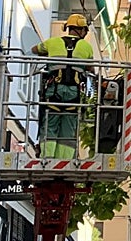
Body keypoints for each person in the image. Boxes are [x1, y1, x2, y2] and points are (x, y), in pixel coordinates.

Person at [32, 14, 94, 158]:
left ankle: (46, 160)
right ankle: (65, 161)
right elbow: (91, 69)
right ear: (82, 30)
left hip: (54, 91)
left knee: (50, 124)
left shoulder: (53, 42)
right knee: (68, 128)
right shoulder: (87, 47)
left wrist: (48, 54)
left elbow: (35, 50)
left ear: (69, 27)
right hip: (73, 94)